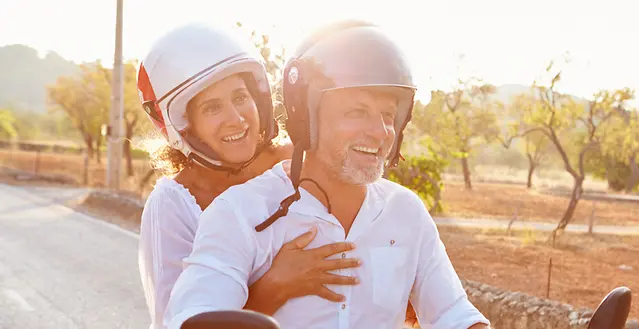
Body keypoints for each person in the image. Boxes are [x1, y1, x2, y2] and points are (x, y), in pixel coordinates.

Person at [163, 20, 491, 329]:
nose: (380, 132)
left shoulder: (407, 212)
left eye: (388, 115)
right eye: (357, 112)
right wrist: (269, 290)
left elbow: (453, 313)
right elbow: (197, 312)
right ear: (308, 119)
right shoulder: (239, 213)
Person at [135, 22, 363, 329]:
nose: (236, 118)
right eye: (212, 107)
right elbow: (178, 323)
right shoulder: (174, 203)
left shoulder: (301, 162)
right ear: (186, 125)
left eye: (241, 97)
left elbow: (370, 234)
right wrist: (276, 285)